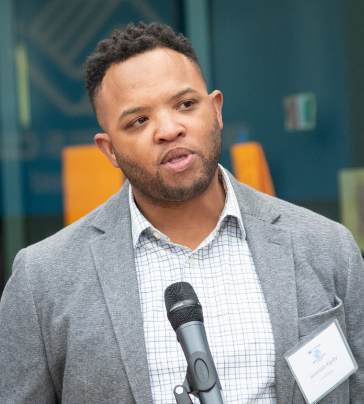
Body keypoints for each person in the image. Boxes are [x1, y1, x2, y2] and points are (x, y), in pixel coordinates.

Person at [0, 22, 363, 404]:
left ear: (217, 110)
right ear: (109, 150)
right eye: (138, 120)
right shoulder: (44, 279)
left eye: (186, 105)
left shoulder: (327, 247)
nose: (170, 129)